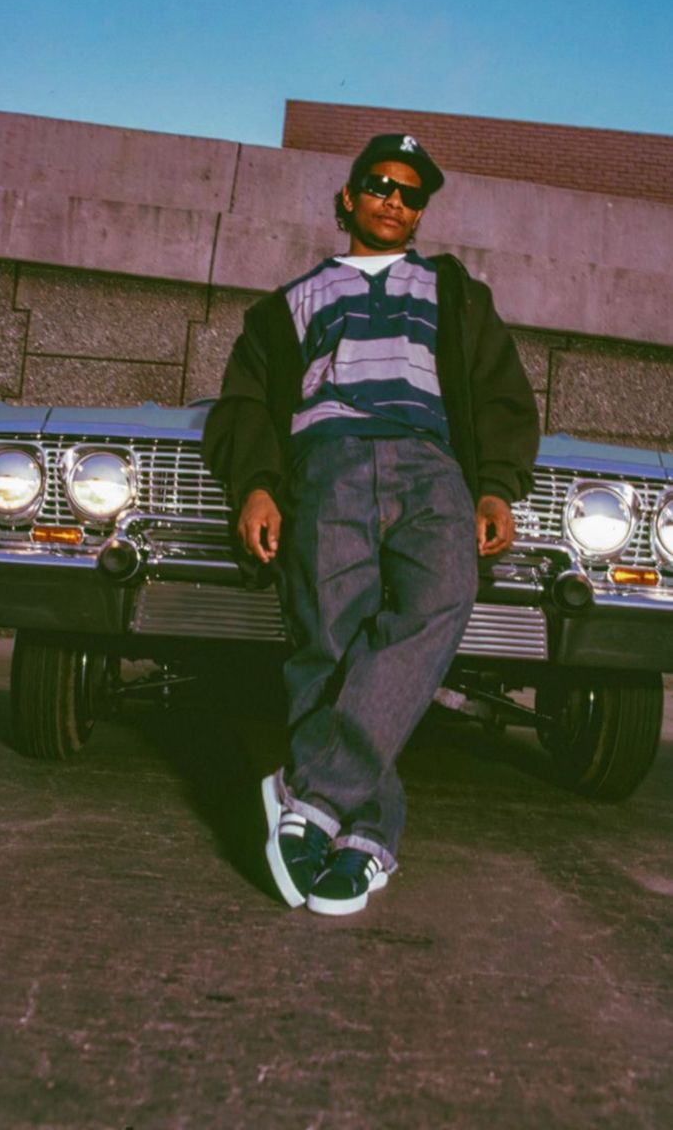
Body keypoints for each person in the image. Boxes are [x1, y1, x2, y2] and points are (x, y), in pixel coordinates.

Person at [202, 133, 540, 917]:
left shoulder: (454, 294)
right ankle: (361, 835)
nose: (395, 199)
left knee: (439, 606)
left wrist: (494, 488)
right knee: (329, 641)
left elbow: (499, 396)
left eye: (412, 192)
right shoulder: (285, 304)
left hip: (432, 465)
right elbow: (247, 406)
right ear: (349, 198)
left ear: (420, 212)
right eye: (380, 184)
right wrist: (256, 487)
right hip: (328, 461)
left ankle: (307, 792)